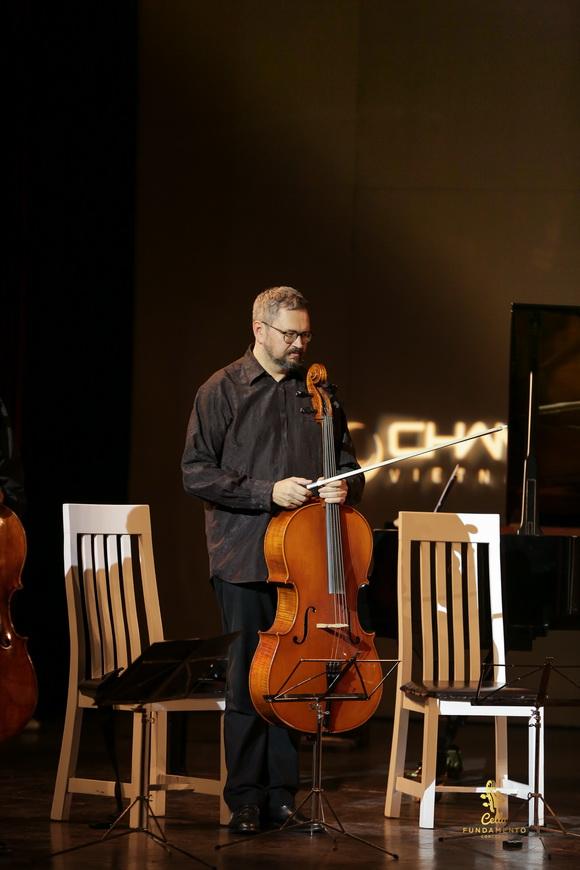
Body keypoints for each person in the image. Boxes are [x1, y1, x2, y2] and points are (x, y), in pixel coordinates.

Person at [181, 286, 364, 834]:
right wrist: (267, 492)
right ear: (259, 330)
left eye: (305, 334)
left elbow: (349, 466)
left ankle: (281, 795)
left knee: (293, 678)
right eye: (290, 334)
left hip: (303, 561)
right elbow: (196, 472)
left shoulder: (320, 393)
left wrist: (344, 489)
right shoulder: (222, 390)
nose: (300, 343)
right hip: (243, 555)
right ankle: (243, 797)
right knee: (247, 680)